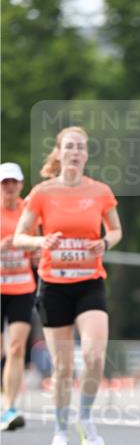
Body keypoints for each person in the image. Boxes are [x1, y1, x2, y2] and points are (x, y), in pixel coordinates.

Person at [13, 126, 122, 445]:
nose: (75, 152)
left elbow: (116, 229)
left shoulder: (100, 191)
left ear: (86, 155)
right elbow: (20, 236)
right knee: (61, 366)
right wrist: (40, 241)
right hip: (54, 286)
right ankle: (60, 431)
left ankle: (85, 419)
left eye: (81, 147)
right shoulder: (42, 192)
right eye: (69, 146)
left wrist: (104, 243)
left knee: (93, 355)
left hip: (89, 283)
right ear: (59, 152)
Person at [1, 162, 37, 430]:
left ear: (22, 185)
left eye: (14, 182)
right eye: (5, 183)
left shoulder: (30, 211)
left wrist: (35, 252)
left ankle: (9, 407)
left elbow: (39, 247)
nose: (10, 187)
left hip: (22, 287)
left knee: (16, 348)